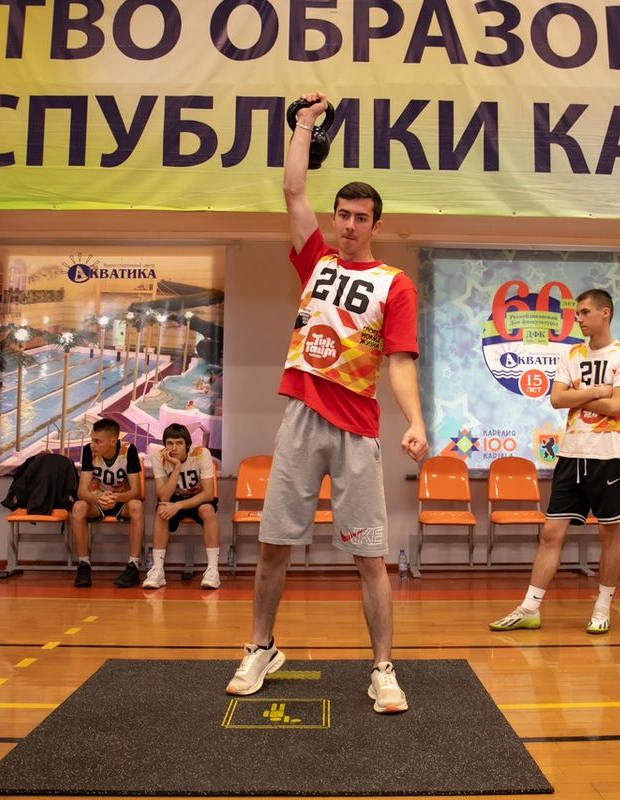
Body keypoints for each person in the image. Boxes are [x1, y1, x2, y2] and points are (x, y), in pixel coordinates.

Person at [225, 91, 428, 714]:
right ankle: (261, 647)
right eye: (342, 214)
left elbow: (400, 360)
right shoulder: (316, 259)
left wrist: (416, 421)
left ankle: (383, 668)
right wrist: (304, 124)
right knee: (273, 546)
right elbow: (292, 190)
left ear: (376, 224)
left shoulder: (394, 284)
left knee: (370, 558)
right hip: (300, 419)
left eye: (361, 217)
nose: (349, 224)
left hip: (357, 427)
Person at [488, 289, 620, 634]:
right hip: (570, 455)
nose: (579, 319)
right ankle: (529, 608)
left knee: (608, 533)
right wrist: (597, 391)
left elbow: (617, 407)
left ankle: (602, 607)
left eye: (585, 312)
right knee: (550, 533)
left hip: (607, 457)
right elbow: (557, 399)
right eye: (578, 314)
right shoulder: (571, 354)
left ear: (605, 313)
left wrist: (580, 395)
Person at [145, 423, 221, 589]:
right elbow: (164, 496)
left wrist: (179, 505)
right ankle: (158, 570)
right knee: (161, 510)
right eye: (170, 443)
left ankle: (213, 570)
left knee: (208, 510)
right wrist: (176, 467)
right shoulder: (158, 457)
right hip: (173, 497)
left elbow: (208, 494)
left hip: (198, 497)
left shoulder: (201, 453)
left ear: (187, 444)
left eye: (179, 443)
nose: (174, 448)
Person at [70, 418, 145, 588]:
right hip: (98, 500)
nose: (93, 445)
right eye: (92, 440)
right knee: (78, 507)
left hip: (121, 500)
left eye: (98, 441)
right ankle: (83, 565)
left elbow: (136, 491)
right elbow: (82, 492)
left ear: (113, 441)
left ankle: (133, 566)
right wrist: (98, 499)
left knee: (137, 506)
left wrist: (116, 498)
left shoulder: (128, 450)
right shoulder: (88, 451)